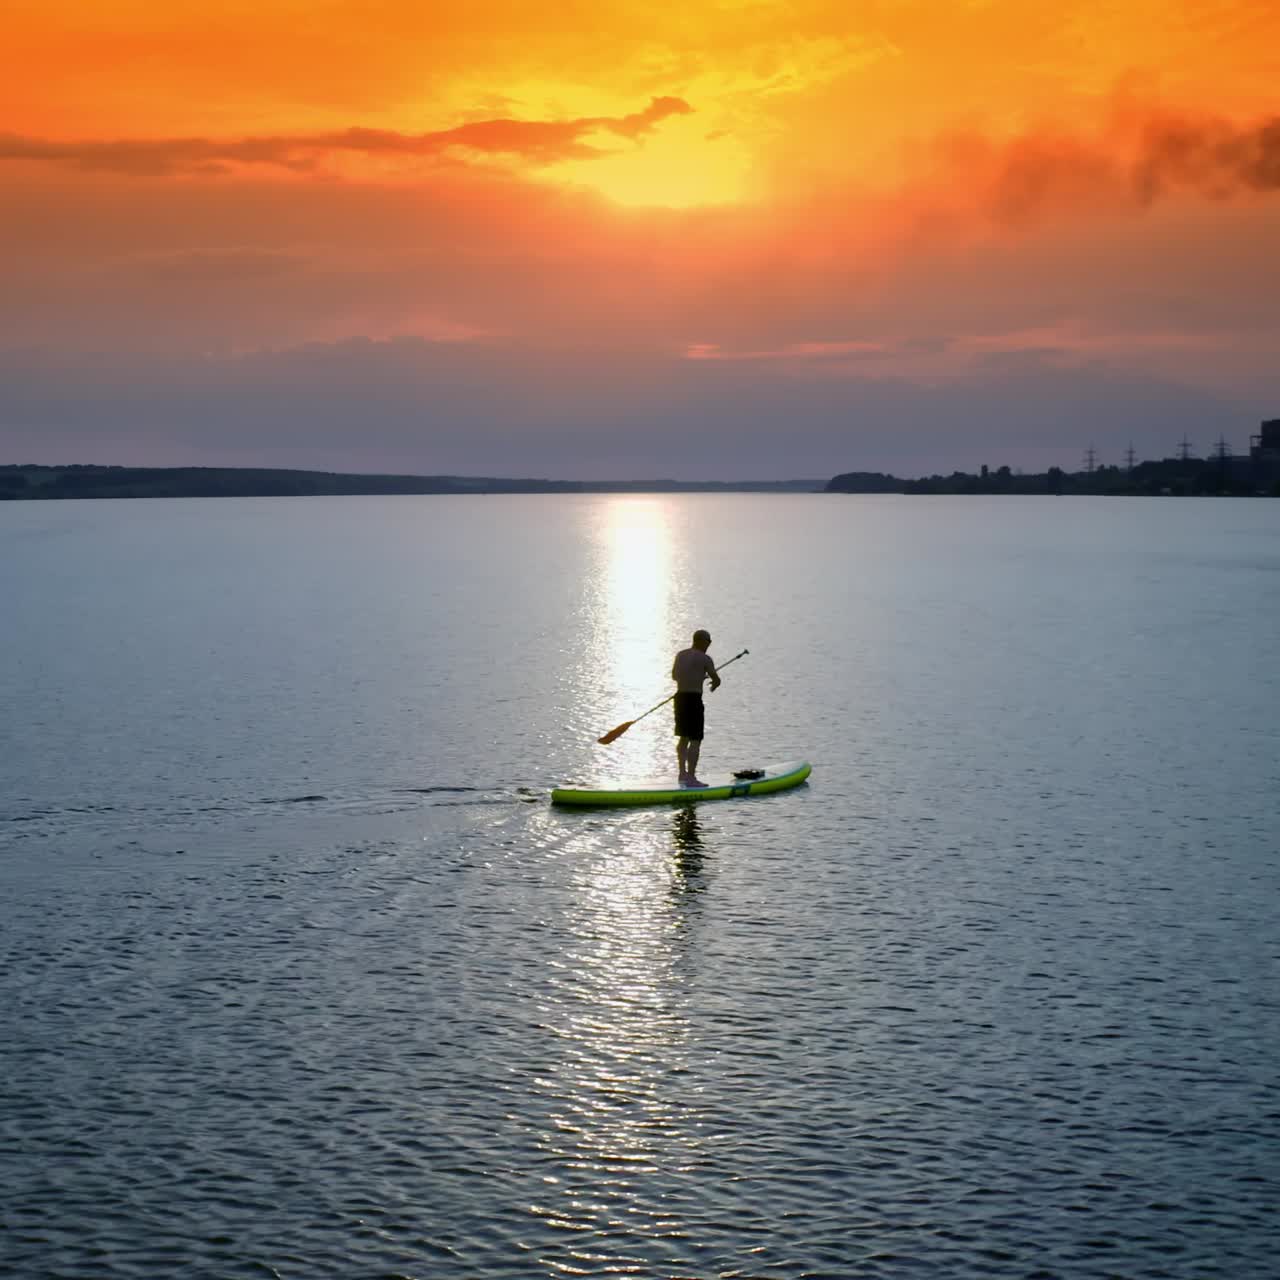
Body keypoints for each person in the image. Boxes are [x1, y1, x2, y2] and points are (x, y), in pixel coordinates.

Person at [672, 629, 720, 786]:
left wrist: (694, 675)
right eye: (708, 641)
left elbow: (675, 676)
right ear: (702, 641)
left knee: (683, 737)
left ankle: (682, 774)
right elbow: (716, 679)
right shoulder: (706, 659)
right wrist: (712, 681)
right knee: (695, 739)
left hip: (679, 698)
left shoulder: (680, 655)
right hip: (694, 699)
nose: (709, 644)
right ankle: (691, 777)